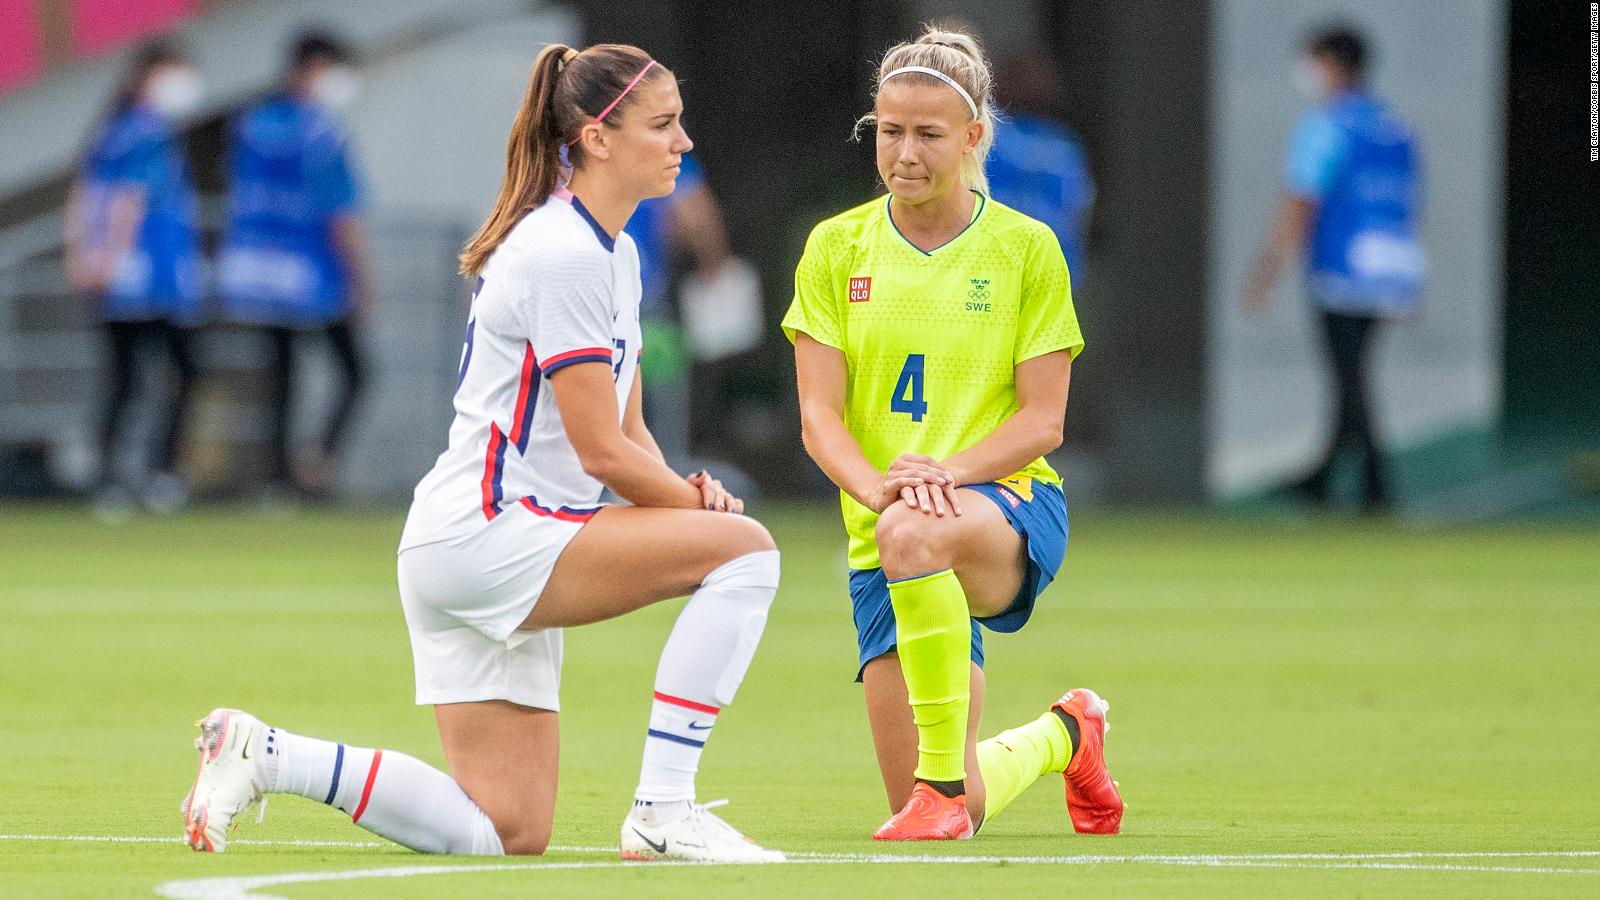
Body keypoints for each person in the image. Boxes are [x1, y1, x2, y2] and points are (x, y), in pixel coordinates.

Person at [183, 42, 784, 863]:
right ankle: (664, 809)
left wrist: (686, 490)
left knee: (507, 832)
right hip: (494, 535)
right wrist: (699, 511)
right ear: (598, 138)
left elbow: (629, 431)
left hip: (475, 539)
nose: (683, 142)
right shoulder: (564, 250)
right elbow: (602, 452)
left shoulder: (616, 249)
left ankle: (268, 754)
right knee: (747, 556)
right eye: (666, 124)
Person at [783, 26, 1123, 842]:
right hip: (889, 536)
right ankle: (1067, 735)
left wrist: (944, 475)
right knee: (957, 810)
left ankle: (938, 789)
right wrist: (879, 488)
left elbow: (1045, 420)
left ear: (974, 138)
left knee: (915, 532)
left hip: (1004, 507)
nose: (904, 152)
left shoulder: (1026, 249)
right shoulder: (836, 249)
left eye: (929, 135)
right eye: (889, 131)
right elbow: (818, 417)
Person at [1243, 25, 1424, 512]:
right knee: (1352, 373)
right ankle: (1324, 478)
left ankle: (1375, 486)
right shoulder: (1394, 127)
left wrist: (1265, 272)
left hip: (1342, 268)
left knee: (1349, 376)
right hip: (1389, 268)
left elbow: (1303, 202)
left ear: (1333, 64)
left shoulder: (1326, 126)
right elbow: (1407, 204)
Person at [217, 32, 374, 498]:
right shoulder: (324, 131)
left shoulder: (252, 125)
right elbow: (340, 214)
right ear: (306, 70)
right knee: (355, 372)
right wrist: (360, 276)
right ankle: (315, 464)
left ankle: (278, 477)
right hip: (316, 270)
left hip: (261, 268)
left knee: (280, 375)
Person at [65, 38, 205, 517]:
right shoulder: (150, 131)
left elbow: (84, 194)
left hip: (127, 271)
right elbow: (129, 198)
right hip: (147, 273)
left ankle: (111, 476)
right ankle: (152, 474)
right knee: (174, 371)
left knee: (124, 378)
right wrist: (109, 256)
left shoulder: (113, 129)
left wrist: (83, 254)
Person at [987, 49, 1094, 287]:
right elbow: (1082, 214)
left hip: (998, 279)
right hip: (1057, 279)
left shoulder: (989, 140)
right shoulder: (1067, 148)